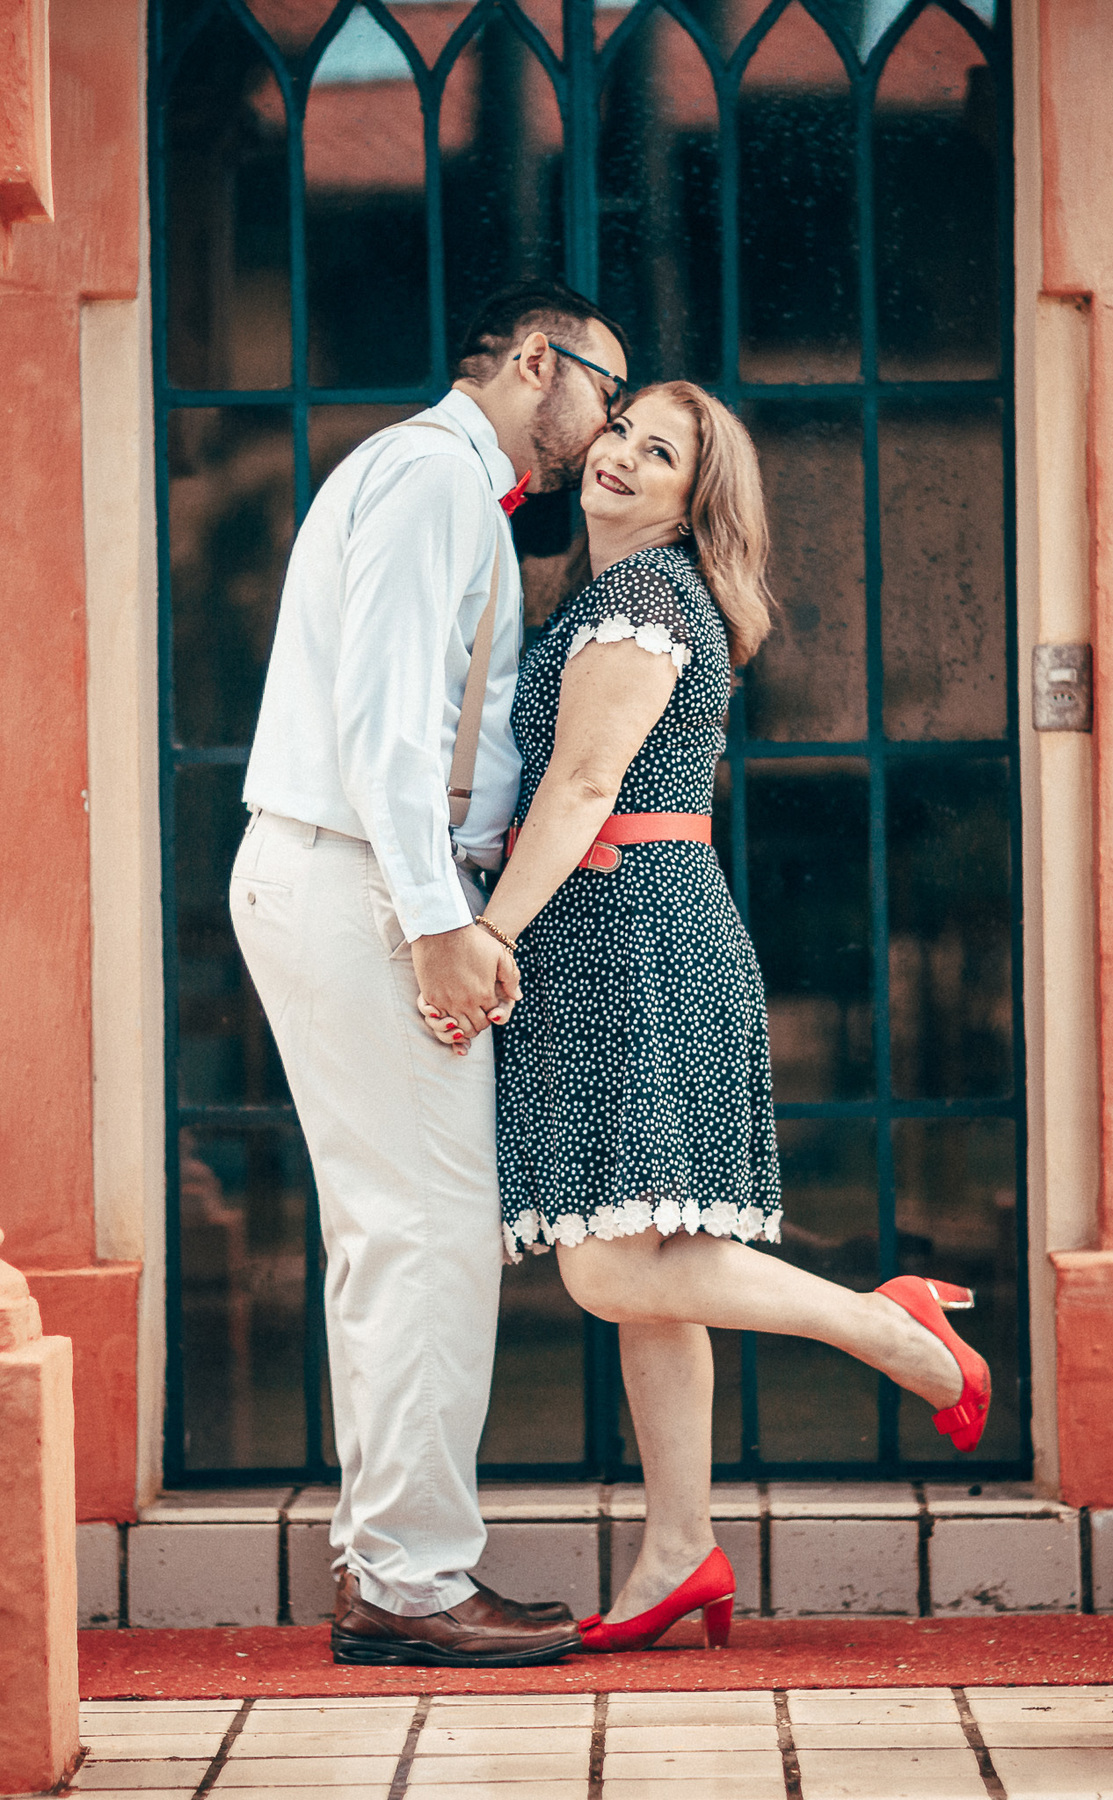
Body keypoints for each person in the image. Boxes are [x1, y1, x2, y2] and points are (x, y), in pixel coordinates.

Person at [420, 380, 991, 1651]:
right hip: (634, 924)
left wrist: (489, 933)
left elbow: (580, 780)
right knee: (654, 1269)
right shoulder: (616, 597)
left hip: (628, 932)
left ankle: (886, 1327)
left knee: (612, 1261)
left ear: (694, 498)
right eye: (620, 432)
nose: (620, 455)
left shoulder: (639, 599)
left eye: (658, 450)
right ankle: (680, 1551)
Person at [231, 281, 629, 1668]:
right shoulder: (430, 474)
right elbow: (385, 721)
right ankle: (410, 1582)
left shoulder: (434, 482)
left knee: (392, 1235)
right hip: (358, 878)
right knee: (431, 1232)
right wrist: (434, 920)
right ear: (536, 361)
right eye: (604, 388)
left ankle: (386, 1564)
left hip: (346, 876)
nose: (609, 423)